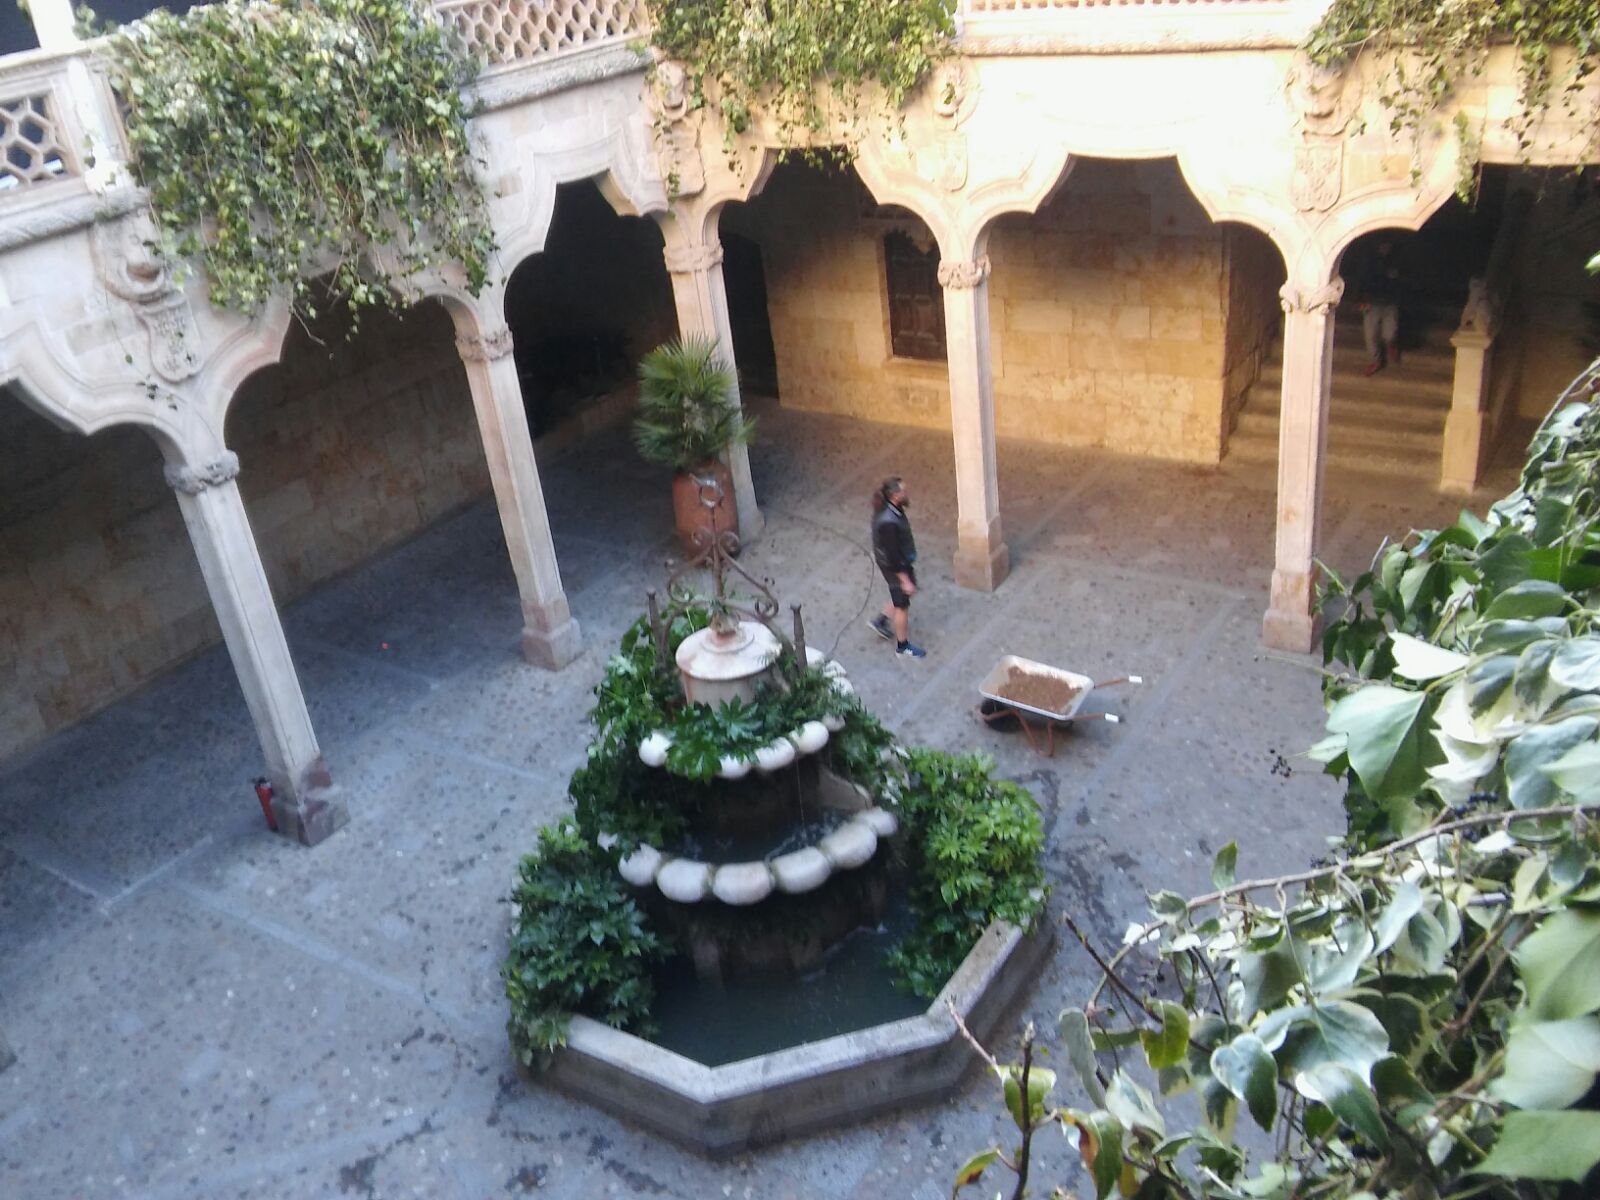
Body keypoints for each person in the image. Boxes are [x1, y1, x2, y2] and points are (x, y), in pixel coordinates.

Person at [868, 477, 925, 658]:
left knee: (904, 594)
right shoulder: (888, 522)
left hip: (899, 561)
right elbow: (893, 554)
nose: (906, 494)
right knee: (902, 604)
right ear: (894, 496)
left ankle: (880, 620)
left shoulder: (891, 509)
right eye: (903, 492)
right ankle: (903, 645)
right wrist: (904, 579)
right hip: (894, 566)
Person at [1356, 238, 1404, 376]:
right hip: (1372, 303)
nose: (1384, 248)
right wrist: (1360, 300)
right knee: (1371, 335)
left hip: (1390, 303)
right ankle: (1375, 361)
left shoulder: (1397, 262)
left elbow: (1403, 283)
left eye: (1387, 245)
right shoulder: (1369, 262)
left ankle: (1391, 346)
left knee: (1390, 333)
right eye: (1382, 245)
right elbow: (1361, 281)